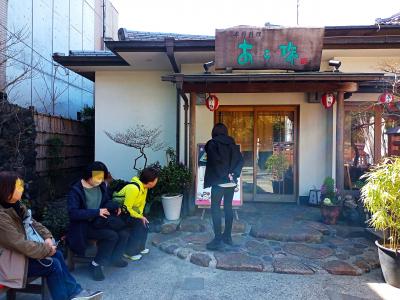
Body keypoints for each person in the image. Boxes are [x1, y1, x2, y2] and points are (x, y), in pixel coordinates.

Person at [0, 171, 102, 300]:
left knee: (57, 254)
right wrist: (47, 249)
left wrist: (47, 237)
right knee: (53, 265)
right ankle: (70, 295)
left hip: (21, 256)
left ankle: (75, 292)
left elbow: (34, 223)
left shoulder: (17, 205)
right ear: (6, 189)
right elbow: (19, 243)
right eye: (18, 186)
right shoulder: (1, 216)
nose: (22, 188)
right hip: (9, 262)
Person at [67, 162, 129, 281]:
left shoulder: (101, 186)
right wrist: (96, 212)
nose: (100, 181)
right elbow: (73, 213)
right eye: (97, 178)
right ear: (88, 175)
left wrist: (115, 206)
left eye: (102, 178)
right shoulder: (76, 190)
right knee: (112, 236)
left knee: (124, 232)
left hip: (100, 221)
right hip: (83, 226)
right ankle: (96, 264)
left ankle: (114, 258)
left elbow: (106, 202)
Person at [204, 123, 244, 250]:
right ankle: (227, 237)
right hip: (231, 182)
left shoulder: (212, 143)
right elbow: (240, 160)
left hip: (219, 182)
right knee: (228, 208)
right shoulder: (232, 144)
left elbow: (215, 162)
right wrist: (234, 174)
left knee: (215, 208)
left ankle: (217, 240)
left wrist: (224, 175)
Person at [113, 167, 159, 261]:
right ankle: (129, 252)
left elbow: (141, 205)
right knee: (138, 223)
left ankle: (140, 247)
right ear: (150, 182)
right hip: (120, 213)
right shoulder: (133, 188)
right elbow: (127, 208)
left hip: (130, 213)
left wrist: (141, 216)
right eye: (156, 180)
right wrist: (139, 217)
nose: (156, 181)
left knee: (144, 223)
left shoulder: (144, 188)